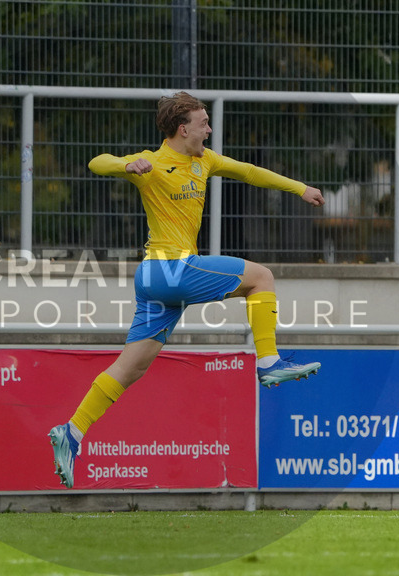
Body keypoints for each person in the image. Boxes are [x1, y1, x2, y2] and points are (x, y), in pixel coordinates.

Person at [48, 91, 325, 488]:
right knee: (261, 278)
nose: (209, 130)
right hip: (168, 269)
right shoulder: (154, 162)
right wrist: (128, 163)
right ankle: (268, 363)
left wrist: (299, 188)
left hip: (158, 281)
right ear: (183, 128)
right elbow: (97, 162)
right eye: (203, 123)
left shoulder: (204, 161)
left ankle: (70, 433)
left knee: (131, 368)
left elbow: (248, 171)